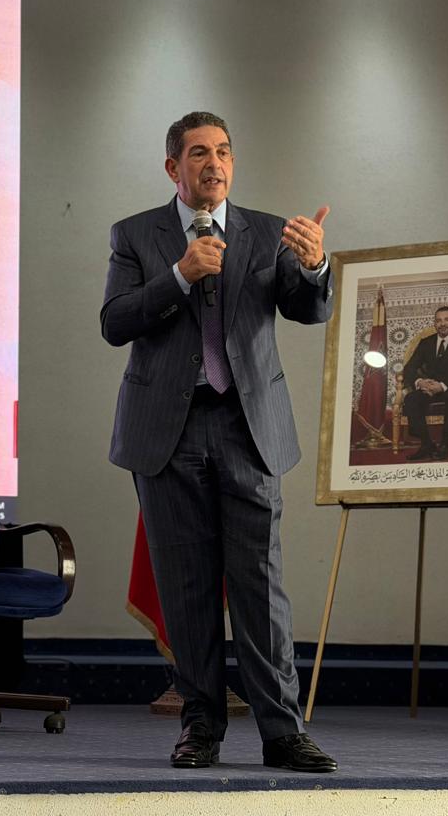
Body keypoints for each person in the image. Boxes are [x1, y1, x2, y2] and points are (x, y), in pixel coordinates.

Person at [101, 111, 336, 772]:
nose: (215, 164)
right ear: (172, 166)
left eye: (225, 152)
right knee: (186, 588)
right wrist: (179, 275)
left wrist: (314, 265)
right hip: (167, 433)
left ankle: (282, 732)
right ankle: (200, 726)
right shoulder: (135, 234)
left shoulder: (265, 231)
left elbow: (307, 308)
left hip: (247, 428)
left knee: (261, 585)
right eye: (200, 152)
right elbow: (115, 321)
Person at [401, 306, 448, 461]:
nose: (442, 324)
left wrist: (442, 386)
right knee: (411, 399)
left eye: (447, 319)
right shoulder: (426, 342)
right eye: (438, 320)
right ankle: (426, 444)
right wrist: (421, 382)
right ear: (435, 323)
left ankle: (445, 444)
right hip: (431, 388)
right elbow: (409, 368)